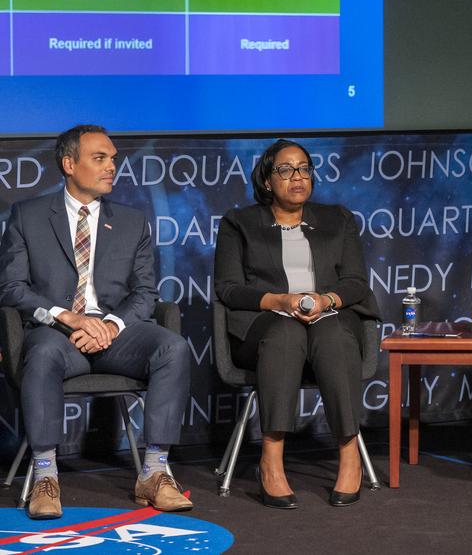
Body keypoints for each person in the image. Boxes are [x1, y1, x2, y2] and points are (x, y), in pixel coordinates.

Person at [0, 124, 193, 520]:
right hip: (57, 335)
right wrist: (66, 317)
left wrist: (111, 326)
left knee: (172, 346)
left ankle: (154, 472)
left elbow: (144, 293)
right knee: (41, 353)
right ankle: (44, 475)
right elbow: (11, 288)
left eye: (114, 159)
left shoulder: (133, 221)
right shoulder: (29, 215)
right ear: (69, 164)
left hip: (115, 335)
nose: (112, 167)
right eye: (100, 158)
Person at [214, 138, 378, 509]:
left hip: (328, 318)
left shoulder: (338, 219)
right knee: (285, 332)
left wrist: (325, 300)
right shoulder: (239, 223)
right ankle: (271, 460)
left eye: (304, 168)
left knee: (334, 333)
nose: (297, 177)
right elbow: (228, 289)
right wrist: (280, 301)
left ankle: (349, 454)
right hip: (264, 325)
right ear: (267, 180)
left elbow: (355, 282)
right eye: (285, 170)